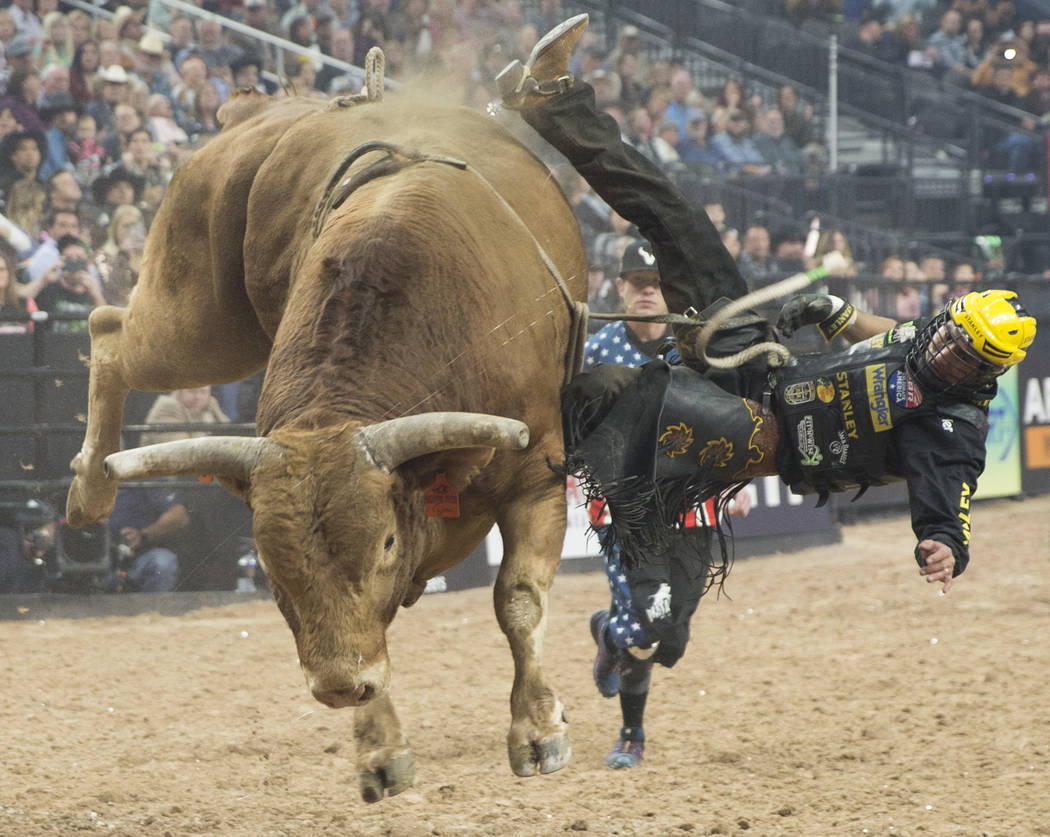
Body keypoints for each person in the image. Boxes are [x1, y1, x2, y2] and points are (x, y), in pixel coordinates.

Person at [495, 14, 1036, 601]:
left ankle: (496, 454)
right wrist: (833, 310)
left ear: (984, 373)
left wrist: (943, 545)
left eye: (961, 355)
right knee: (678, 216)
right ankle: (551, 102)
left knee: (613, 391)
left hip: (761, 433)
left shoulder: (952, 430)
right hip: (760, 364)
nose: (945, 349)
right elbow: (898, 334)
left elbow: (948, 498)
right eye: (950, 333)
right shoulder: (931, 335)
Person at [581, 238, 752, 768]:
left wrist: (735, 481)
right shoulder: (598, 350)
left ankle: (605, 633)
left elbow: (721, 419)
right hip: (626, 511)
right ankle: (632, 735)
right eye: (638, 284)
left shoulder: (693, 349)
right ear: (620, 288)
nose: (647, 293)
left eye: (655, 285)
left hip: (689, 505)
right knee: (642, 628)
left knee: (672, 634)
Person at [106, 482, 188, 592]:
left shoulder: (145, 476)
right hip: (88, 563)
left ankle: (153, 609)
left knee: (163, 562)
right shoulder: (79, 478)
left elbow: (179, 516)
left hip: (137, 560)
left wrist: (143, 535)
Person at [139, 386, 230, 447]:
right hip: (162, 472)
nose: (198, 397)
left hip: (197, 470)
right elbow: (182, 449)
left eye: (203, 392)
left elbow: (229, 434)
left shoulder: (210, 404)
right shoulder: (168, 406)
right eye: (192, 391)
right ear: (179, 392)